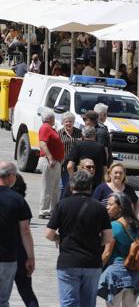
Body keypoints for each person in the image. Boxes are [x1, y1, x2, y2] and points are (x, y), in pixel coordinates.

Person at [45, 170, 113, 307]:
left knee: (69, 303)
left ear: (71, 186)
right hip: (92, 262)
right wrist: (94, 242)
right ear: (90, 187)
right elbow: (108, 238)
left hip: (68, 261)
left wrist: (59, 239)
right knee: (88, 303)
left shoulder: (62, 205)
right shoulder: (100, 208)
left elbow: (48, 234)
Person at [98, 192, 139, 306]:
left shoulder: (114, 226)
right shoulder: (137, 225)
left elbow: (107, 253)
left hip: (116, 274)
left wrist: (97, 269)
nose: (107, 207)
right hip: (134, 274)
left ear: (120, 207)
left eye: (111, 205)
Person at [0, 162, 35, 307]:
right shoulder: (18, 200)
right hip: (8, 258)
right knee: (2, 300)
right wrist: (30, 257)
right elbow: (25, 230)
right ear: (11, 177)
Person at [11, 174, 39, 307]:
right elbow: (26, 231)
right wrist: (31, 257)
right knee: (27, 292)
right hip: (22, 253)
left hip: (5, 253)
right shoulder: (22, 203)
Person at [38, 108, 65, 219]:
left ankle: (53, 210)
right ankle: (43, 210)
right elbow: (43, 144)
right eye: (53, 118)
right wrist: (50, 158)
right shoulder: (45, 128)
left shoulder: (50, 128)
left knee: (54, 188)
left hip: (55, 161)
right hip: (50, 161)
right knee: (48, 187)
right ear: (50, 118)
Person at [58, 112, 82, 200]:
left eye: (71, 121)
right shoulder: (59, 133)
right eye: (67, 121)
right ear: (63, 122)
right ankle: (61, 204)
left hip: (76, 164)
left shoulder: (79, 132)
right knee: (63, 187)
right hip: (63, 164)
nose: (69, 123)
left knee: (76, 187)